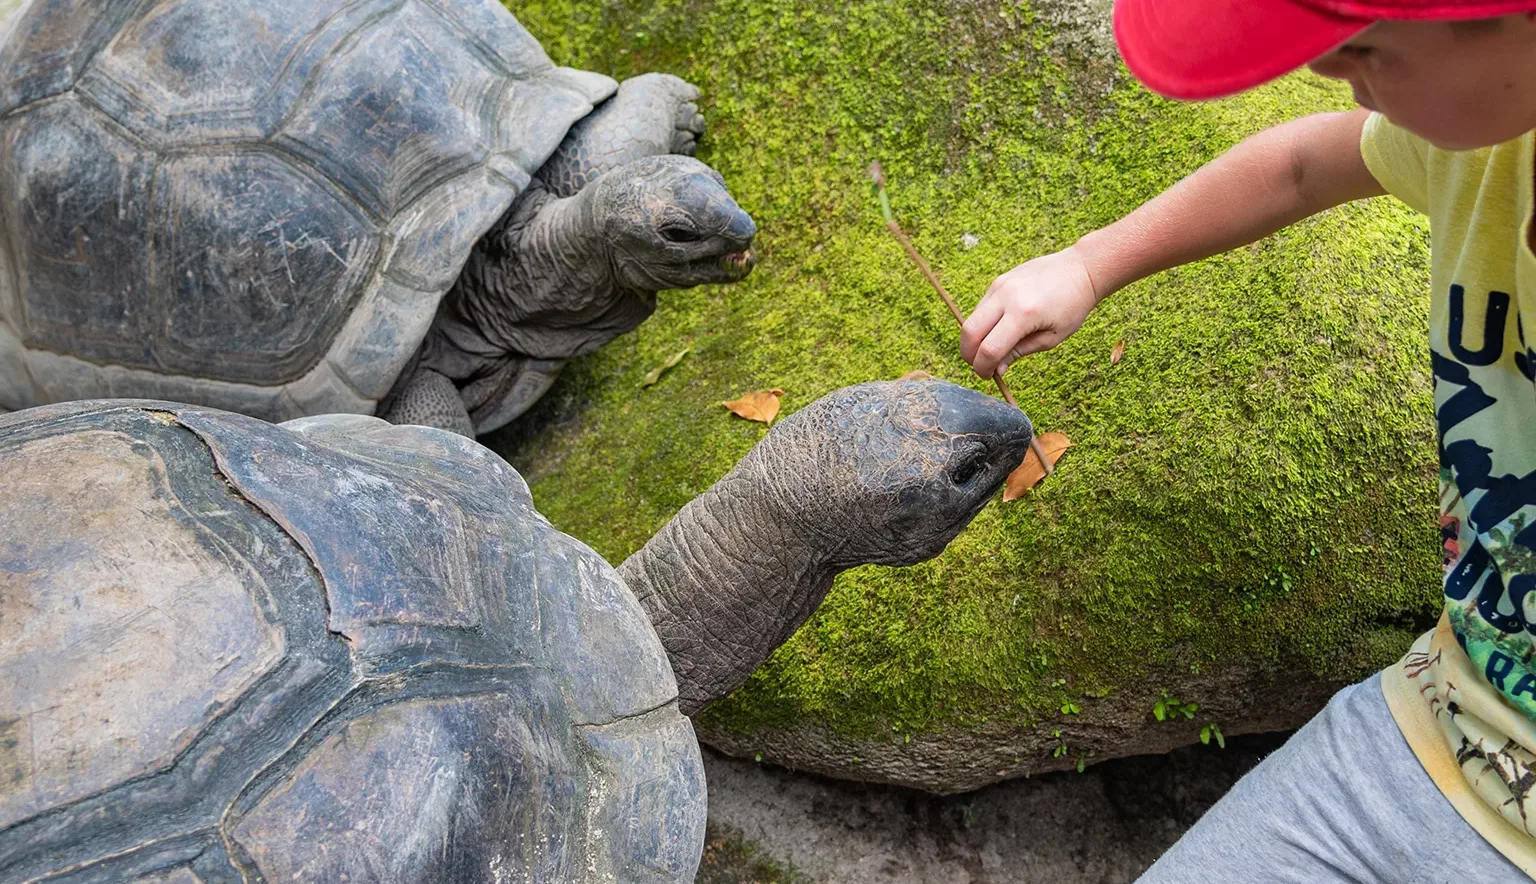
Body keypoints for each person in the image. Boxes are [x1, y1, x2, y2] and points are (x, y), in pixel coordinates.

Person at [960, 1, 1536, 880]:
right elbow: (1305, 162)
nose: (1326, 74)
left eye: (1365, 50)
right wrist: (1088, 264)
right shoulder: (1483, 146)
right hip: (1437, 732)